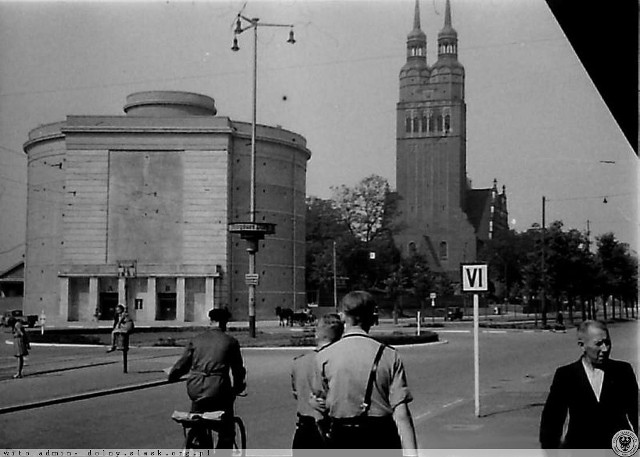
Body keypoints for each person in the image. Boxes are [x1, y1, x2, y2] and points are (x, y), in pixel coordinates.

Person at [314, 291, 418, 454]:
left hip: (341, 436)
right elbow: (401, 412)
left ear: (343, 316)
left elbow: (319, 409)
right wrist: (412, 453)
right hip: (381, 436)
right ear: (372, 318)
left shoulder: (324, 356)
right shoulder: (389, 355)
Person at [539, 320, 638, 450]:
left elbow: (636, 411)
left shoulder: (622, 371)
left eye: (607, 343)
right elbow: (552, 418)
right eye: (598, 344)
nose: (605, 349)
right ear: (582, 345)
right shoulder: (566, 375)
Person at [168, 308, 246, 450]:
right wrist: (239, 386)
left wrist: (173, 375)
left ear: (211, 321)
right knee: (227, 428)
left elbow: (183, 364)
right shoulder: (231, 342)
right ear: (225, 323)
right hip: (219, 388)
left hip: (195, 387)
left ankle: (199, 442)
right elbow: (237, 369)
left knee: (197, 417)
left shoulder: (196, 340)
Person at [290, 313, 344, 450]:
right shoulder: (340, 362)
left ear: (317, 334)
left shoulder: (299, 362)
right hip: (332, 429)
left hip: (304, 430)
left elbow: (296, 393)